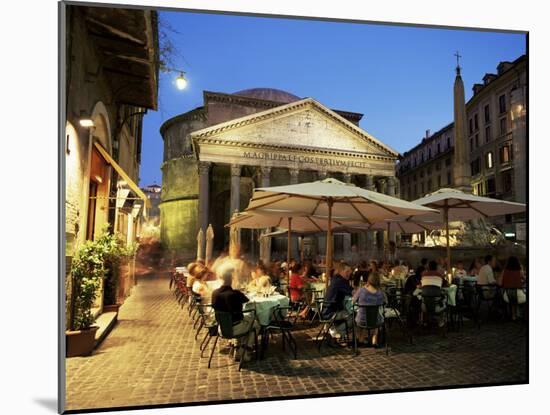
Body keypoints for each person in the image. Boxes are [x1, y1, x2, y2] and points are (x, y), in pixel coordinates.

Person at [211, 268, 260, 362]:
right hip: (235, 328)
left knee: (243, 321)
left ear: (221, 279)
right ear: (232, 279)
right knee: (255, 324)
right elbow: (247, 300)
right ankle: (245, 351)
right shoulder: (235, 294)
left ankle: (237, 348)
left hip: (221, 328)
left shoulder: (215, 293)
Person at [353, 272, 386, 347]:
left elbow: (353, 301)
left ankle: (361, 338)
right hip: (376, 321)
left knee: (362, 314)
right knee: (377, 315)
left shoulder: (361, 290)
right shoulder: (380, 293)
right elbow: (385, 302)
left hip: (361, 320)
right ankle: (374, 339)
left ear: (368, 280)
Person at [499, 256, 526, 320]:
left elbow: (499, 283)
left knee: (513, 297)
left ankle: (514, 315)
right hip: (519, 295)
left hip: (506, 296)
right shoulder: (520, 271)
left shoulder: (504, 271)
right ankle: (523, 314)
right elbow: (525, 279)